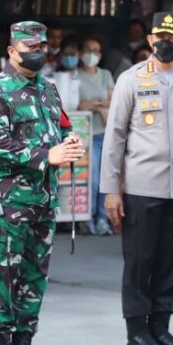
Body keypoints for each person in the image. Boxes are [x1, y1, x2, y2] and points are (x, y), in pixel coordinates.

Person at [102, 12, 173, 345]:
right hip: (140, 188)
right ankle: (137, 334)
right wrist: (111, 189)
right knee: (139, 262)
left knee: (170, 262)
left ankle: (161, 328)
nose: (166, 43)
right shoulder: (131, 80)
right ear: (151, 40)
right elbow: (114, 137)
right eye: (159, 36)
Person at [0, 21, 84, 345]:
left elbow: (63, 127)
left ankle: (25, 343)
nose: (36, 53)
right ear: (11, 51)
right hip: (8, 198)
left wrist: (70, 143)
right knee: (3, 271)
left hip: (43, 198)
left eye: (41, 47)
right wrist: (45, 155)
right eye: (29, 48)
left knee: (35, 273)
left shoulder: (49, 90)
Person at [77, 35, 114, 236]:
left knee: (104, 180)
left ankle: (101, 218)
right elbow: (77, 105)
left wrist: (93, 105)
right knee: (89, 179)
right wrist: (100, 104)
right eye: (88, 50)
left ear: (100, 54)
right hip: (84, 135)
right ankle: (87, 217)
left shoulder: (105, 74)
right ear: (82, 53)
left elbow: (113, 99)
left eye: (95, 50)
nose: (92, 54)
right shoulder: (75, 76)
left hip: (104, 133)